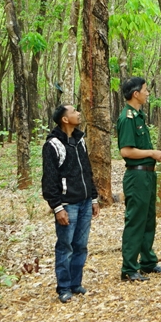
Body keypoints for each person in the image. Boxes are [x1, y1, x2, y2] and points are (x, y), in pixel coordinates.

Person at [118, 77, 161, 282]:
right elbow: (126, 151)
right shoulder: (127, 118)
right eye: (145, 89)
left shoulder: (139, 116)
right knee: (136, 221)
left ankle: (148, 262)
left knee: (149, 219)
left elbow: (142, 149)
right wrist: (152, 152)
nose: (148, 92)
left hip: (148, 174)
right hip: (137, 176)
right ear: (135, 94)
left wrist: (157, 155)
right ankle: (129, 267)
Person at [41, 104, 97, 303]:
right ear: (65, 119)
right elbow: (49, 179)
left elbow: (87, 171)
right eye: (74, 111)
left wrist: (94, 197)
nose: (78, 113)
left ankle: (76, 283)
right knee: (65, 246)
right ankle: (63, 287)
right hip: (67, 205)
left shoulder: (80, 141)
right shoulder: (53, 145)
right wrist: (57, 207)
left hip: (84, 202)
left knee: (80, 245)